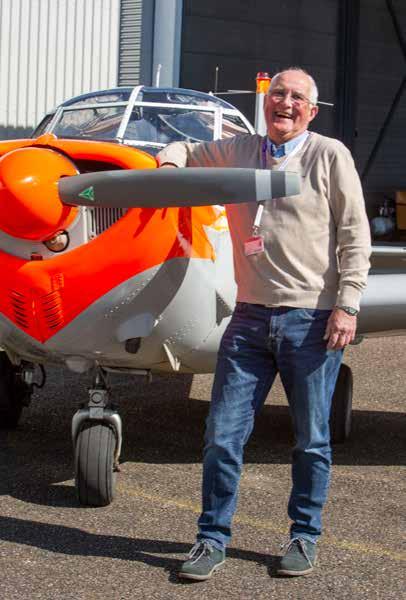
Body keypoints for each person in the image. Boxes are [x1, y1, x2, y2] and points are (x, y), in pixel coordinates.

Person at [157, 68, 371, 579]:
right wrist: (167, 163)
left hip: (312, 320)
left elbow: (355, 234)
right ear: (265, 102)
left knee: (311, 440)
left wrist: (347, 305)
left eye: (297, 97)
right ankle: (211, 539)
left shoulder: (329, 155)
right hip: (249, 317)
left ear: (311, 111)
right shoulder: (239, 149)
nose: (285, 103)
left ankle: (304, 536)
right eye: (278, 94)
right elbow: (185, 150)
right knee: (222, 436)